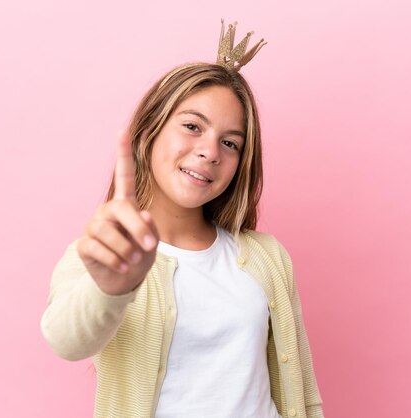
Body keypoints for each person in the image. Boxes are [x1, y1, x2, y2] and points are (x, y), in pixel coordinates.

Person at [41, 20, 324, 418]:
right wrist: (112, 288)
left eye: (230, 143)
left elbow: (304, 395)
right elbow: (65, 340)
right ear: (149, 132)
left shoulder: (268, 257)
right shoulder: (104, 255)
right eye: (192, 126)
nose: (210, 152)